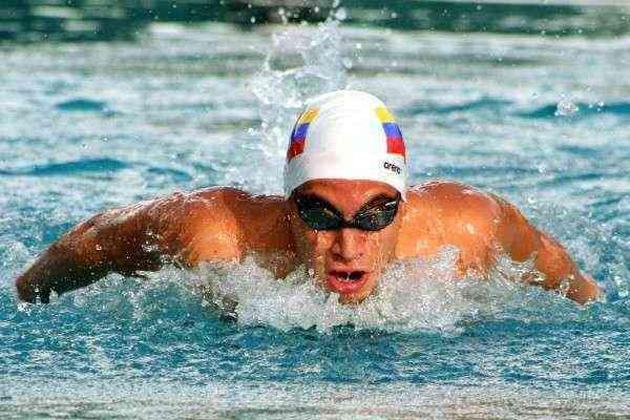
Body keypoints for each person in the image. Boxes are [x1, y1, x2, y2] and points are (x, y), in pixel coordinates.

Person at [16, 90, 600, 305]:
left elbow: (574, 286)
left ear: (404, 205)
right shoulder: (213, 234)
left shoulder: (470, 226)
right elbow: (92, 243)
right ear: (287, 203)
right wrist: (22, 296)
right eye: (321, 214)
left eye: (376, 214)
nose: (349, 245)